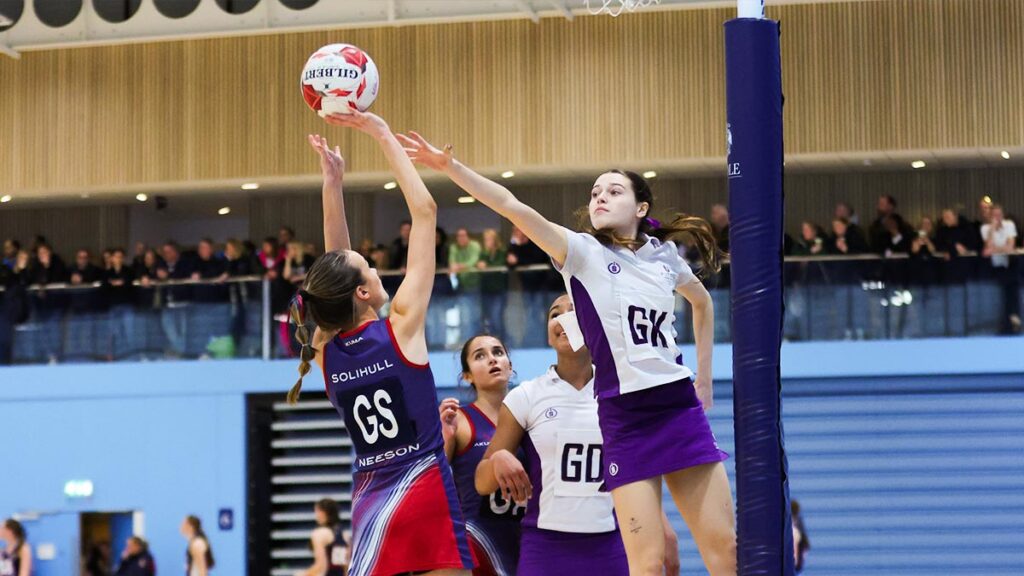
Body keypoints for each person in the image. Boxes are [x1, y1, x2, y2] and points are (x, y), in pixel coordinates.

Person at [399, 132, 735, 574]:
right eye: (595, 191)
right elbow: (511, 205)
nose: (600, 197)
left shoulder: (664, 255)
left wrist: (704, 377)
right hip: (624, 416)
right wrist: (450, 169)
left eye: (614, 191)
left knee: (727, 552)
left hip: (676, 406)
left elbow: (704, 302)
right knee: (648, 564)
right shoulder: (581, 251)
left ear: (641, 209)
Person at [288, 113, 473, 576]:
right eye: (369, 266)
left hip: (373, 505)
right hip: (426, 490)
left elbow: (336, 277)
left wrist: (333, 184)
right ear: (364, 293)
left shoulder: (325, 350)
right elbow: (425, 211)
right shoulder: (402, 328)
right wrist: (382, 133)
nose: (374, 267)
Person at [474, 294, 682, 576]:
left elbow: (641, 470)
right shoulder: (526, 396)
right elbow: (481, 482)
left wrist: (663, 527)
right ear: (549, 334)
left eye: (573, 310)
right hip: (545, 548)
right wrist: (498, 458)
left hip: (614, 543)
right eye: (554, 314)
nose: (562, 318)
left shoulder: (624, 391)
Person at [439, 334, 522, 576]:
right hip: (480, 540)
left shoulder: (532, 415)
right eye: (480, 356)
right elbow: (434, 483)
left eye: (498, 352)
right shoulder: (459, 420)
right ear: (467, 376)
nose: (492, 360)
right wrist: (444, 437)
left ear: (510, 364)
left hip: (531, 534)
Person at [981, 205, 1020, 333]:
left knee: (1012, 289)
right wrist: (992, 229)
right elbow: (988, 247)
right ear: (991, 216)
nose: (997, 217)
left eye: (999, 214)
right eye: (995, 215)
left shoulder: (1009, 224)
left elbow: (1010, 246)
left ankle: (1013, 318)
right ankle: (1010, 320)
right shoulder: (985, 228)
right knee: (1005, 292)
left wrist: (996, 249)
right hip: (997, 266)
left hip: (1011, 263)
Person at [296, 499, 348, 576]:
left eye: (316, 511)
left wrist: (303, 574)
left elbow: (321, 566)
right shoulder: (343, 535)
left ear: (323, 513)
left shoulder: (320, 534)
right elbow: (342, 566)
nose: (316, 515)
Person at [477, 229, 508, 339]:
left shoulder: (502, 252)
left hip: (499, 290)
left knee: (497, 317)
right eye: (486, 239)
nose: (487, 241)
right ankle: (492, 339)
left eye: (489, 239)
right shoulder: (483, 253)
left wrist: (487, 265)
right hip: (486, 290)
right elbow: (480, 265)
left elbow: (499, 265)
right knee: (488, 317)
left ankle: (502, 339)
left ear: (495, 240)